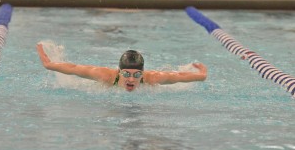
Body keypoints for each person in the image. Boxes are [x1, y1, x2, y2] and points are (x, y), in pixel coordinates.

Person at [37, 44, 207, 92]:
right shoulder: (106, 76)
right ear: (119, 71)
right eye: (126, 73)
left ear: (142, 73)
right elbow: (74, 68)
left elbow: (179, 76)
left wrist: (201, 75)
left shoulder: (151, 78)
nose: (131, 79)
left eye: (136, 74)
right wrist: (49, 64)